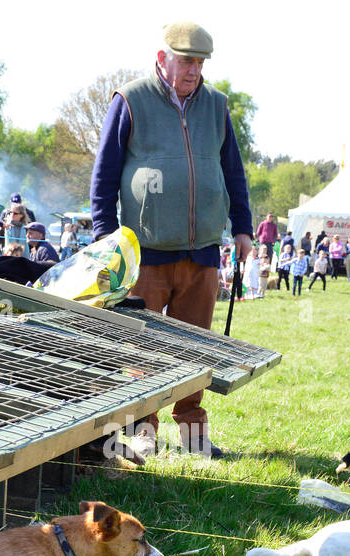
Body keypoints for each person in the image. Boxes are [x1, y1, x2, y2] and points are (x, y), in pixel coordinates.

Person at [90, 21, 252, 460]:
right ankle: (144, 432)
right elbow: (104, 174)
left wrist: (242, 227)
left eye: (200, 63)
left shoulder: (216, 106)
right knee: (140, 348)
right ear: (162, 58)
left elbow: (232, 170)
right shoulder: (130, 100)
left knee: (196, 346)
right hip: (144, 252)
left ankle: (194, 435)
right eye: (186, 61)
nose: (194, 70)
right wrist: (106, 237)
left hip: (202, 250)